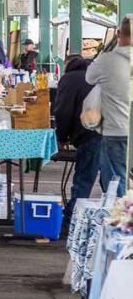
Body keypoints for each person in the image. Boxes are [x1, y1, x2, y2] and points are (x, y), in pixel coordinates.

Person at [86, 16, 131, 197]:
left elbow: (89, 77)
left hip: (116, 130)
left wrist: (109, 48)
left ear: (119, 34)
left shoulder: (107, 60)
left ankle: (121, 220)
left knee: (115, 181)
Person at [54, 55, 103, 219]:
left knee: (84, 179)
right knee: (113, 180)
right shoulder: (99, 76)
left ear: (67, 65)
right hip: (115, 132)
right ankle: (119, 217)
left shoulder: (69, 79)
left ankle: (72, 218)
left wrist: (61, 137)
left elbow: (63, 111)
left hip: (90, 134)